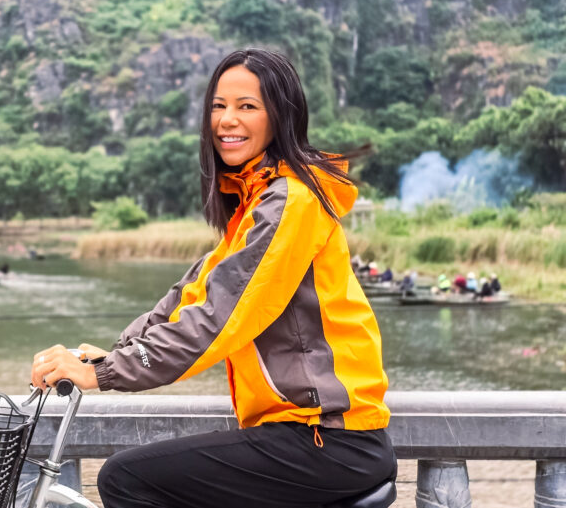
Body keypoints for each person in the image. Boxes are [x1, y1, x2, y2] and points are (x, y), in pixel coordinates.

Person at [31, 49, 395, 508]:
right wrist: (115, 353)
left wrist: (104, 374)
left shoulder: (291, 202)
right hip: (308, 436)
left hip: (328, 439)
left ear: (281, 116)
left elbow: (216, 319)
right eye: (218, 106)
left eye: (247, 106)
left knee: (127, 479)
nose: (227, 119)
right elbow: (192, 293)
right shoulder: (256, 203)